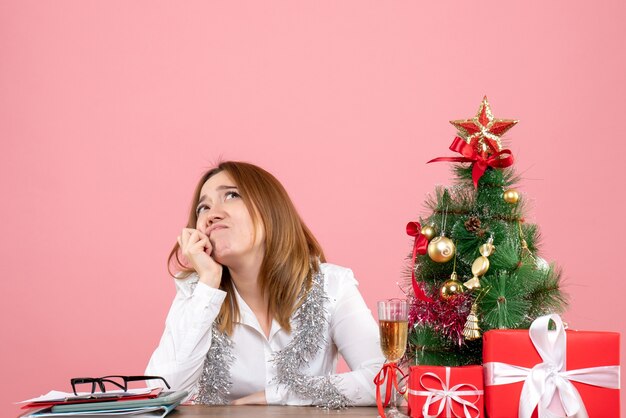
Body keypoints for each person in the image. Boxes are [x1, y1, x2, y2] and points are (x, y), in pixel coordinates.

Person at [145, 161, 384, 408]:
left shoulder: (332, 286)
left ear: (270, 209)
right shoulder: (198, 292)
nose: (211, 214)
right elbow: (161, 392)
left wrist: (276, 396)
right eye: (202, 207)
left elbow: (384, 381)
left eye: (231, 195)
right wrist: (207, 283)